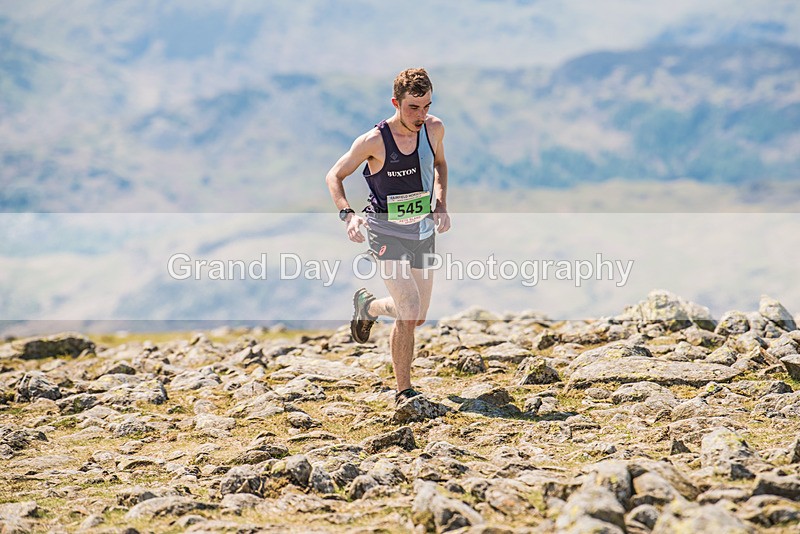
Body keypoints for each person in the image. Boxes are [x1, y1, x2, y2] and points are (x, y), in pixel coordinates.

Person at [325, 67, 451, 407]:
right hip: (384, 231)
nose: (421, 115)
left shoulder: (434, 129)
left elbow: (439, 165)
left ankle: (368, 306)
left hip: (422, 230)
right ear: (396, 102)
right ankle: (404, 392)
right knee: (409, 309)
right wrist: (347, 215)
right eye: (413, 107)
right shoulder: (374, 141)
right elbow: (334, 175)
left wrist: (440, 202)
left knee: (418, 315)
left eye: (426, 106)